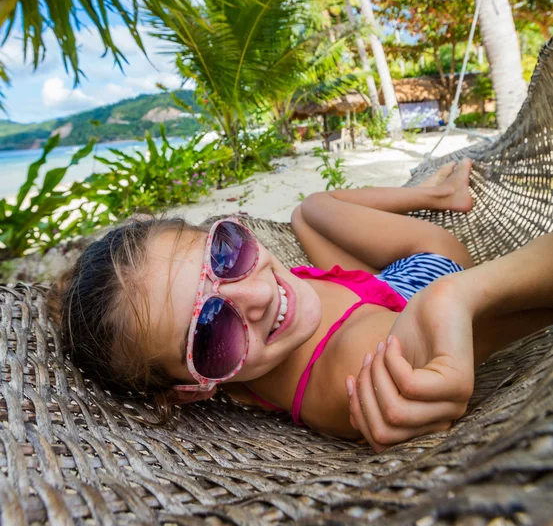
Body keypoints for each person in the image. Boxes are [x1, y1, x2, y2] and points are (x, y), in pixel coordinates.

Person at [47, 158, 553, 451]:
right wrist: (456, 292)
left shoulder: (275, 304)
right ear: (190, 391)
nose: (260, 293)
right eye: (210, 332)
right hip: (431, 274)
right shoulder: (349, 381)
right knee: (346, 224)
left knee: (308, 211)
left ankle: (438, 194)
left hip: (370, 288)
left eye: (226, 252)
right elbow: (516, 307)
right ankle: (438, 205)